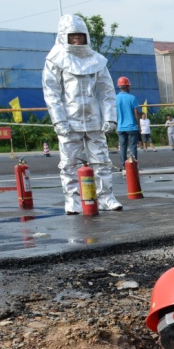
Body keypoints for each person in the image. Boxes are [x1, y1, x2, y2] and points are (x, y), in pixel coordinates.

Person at [41, 14, 122, 214]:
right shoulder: (55, 59)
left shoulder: (97, 60)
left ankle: (105, 197)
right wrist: (59, 120)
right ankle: (73, 200)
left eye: (80, 36)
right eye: (72, 37)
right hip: (69, 119)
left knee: (102, 160)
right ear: (64, 36)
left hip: (94, 119)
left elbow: (106, 91)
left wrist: (110, 117)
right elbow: (51, 92)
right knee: (68, 163)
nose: (77, 41)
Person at [115, 77, 139, 170]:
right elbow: (136, 113)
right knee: (133, 147)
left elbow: (114, 113)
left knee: (122, 148)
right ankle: (133, 166)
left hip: (120, 127)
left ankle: (124, 166)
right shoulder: (132, 98)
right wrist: (139, 126)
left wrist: (116, 126)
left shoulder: (115, 98)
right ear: (128, 86)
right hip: (132, 127)